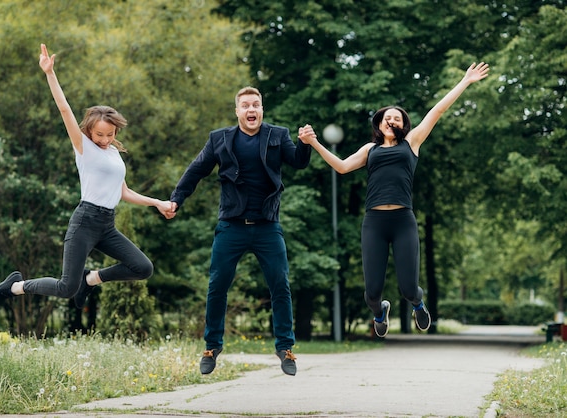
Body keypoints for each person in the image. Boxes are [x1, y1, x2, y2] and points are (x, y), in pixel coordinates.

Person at [299, 62, 490, 337]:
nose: (392, 120)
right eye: (387, 117)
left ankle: (419, 305)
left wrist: (464, 82)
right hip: (374, 222)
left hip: (403, 221)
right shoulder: (370, 149)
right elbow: (341, 167)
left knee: (408, 288)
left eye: (397, 118)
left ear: (403, 125)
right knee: (372, 293)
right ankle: (380, 313)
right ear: (379, 124)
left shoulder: (411, 143)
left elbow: (437, 111)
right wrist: (314, 143)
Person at [0, 44, 174, 308]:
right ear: (89, 130)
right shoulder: (83, 147)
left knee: (143, 267)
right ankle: (16, 286)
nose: (105, 139)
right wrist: (50, 74)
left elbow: (123, 192)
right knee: (66, 288)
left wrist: (157, 202)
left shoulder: (113, 154)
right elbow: (64, 109)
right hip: (85, 222)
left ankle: (91, 280)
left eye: (110, 134)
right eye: (99, 134)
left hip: (107, 225)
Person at [169, 86, 312, 376]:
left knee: (280, 285)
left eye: (256, 105)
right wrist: (176, 199)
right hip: (231, 226)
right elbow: (196, 170)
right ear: (237, 111)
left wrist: (305, 143)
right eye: (245, 105)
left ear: (262, 110)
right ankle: (212, 347)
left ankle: (285, 348)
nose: (251, 110)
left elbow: (299, 162)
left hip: (267, 226)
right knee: (217, 286)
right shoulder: (219, 139)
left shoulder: (277, 135)